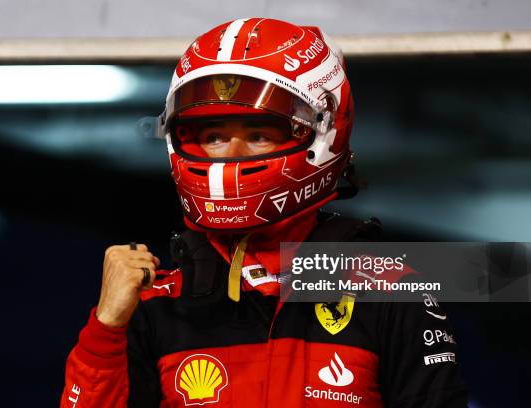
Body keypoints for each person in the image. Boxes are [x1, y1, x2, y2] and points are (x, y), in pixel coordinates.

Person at [61, 18, 467, 407]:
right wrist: (105, 330)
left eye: (258, 136)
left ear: (324, 134)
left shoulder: (390, 290)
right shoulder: (154, 304)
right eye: (215, 137)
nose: (232, 156)